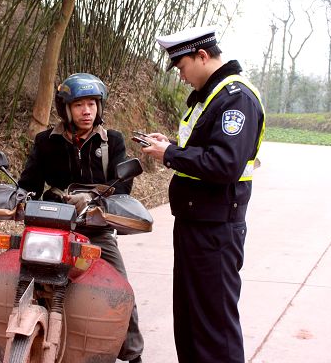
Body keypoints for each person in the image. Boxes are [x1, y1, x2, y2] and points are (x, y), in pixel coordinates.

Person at [141, 26, 265, 363]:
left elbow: (223, 162)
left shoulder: (235, 98)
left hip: (216, 230)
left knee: (214, 325)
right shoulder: (210, 97)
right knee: (191, 319)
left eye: (181, 67)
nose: (180, 76)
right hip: (196, 224)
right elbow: (204, 149)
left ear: (203, 56)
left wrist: (169, 154)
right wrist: (172, 145)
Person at [17, 73, 144, 363]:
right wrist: (18, 198)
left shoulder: (112, 140)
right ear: (66, 109)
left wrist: (98, 201)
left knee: (120, 289)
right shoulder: (46, 142)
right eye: (79, 105)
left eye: (92, 104)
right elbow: (29, 183)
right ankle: (20, 334)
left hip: (95, 229)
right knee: (20, 276)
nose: (87, 111)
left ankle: (133, 353)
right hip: (51, 228)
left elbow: (122, 185)